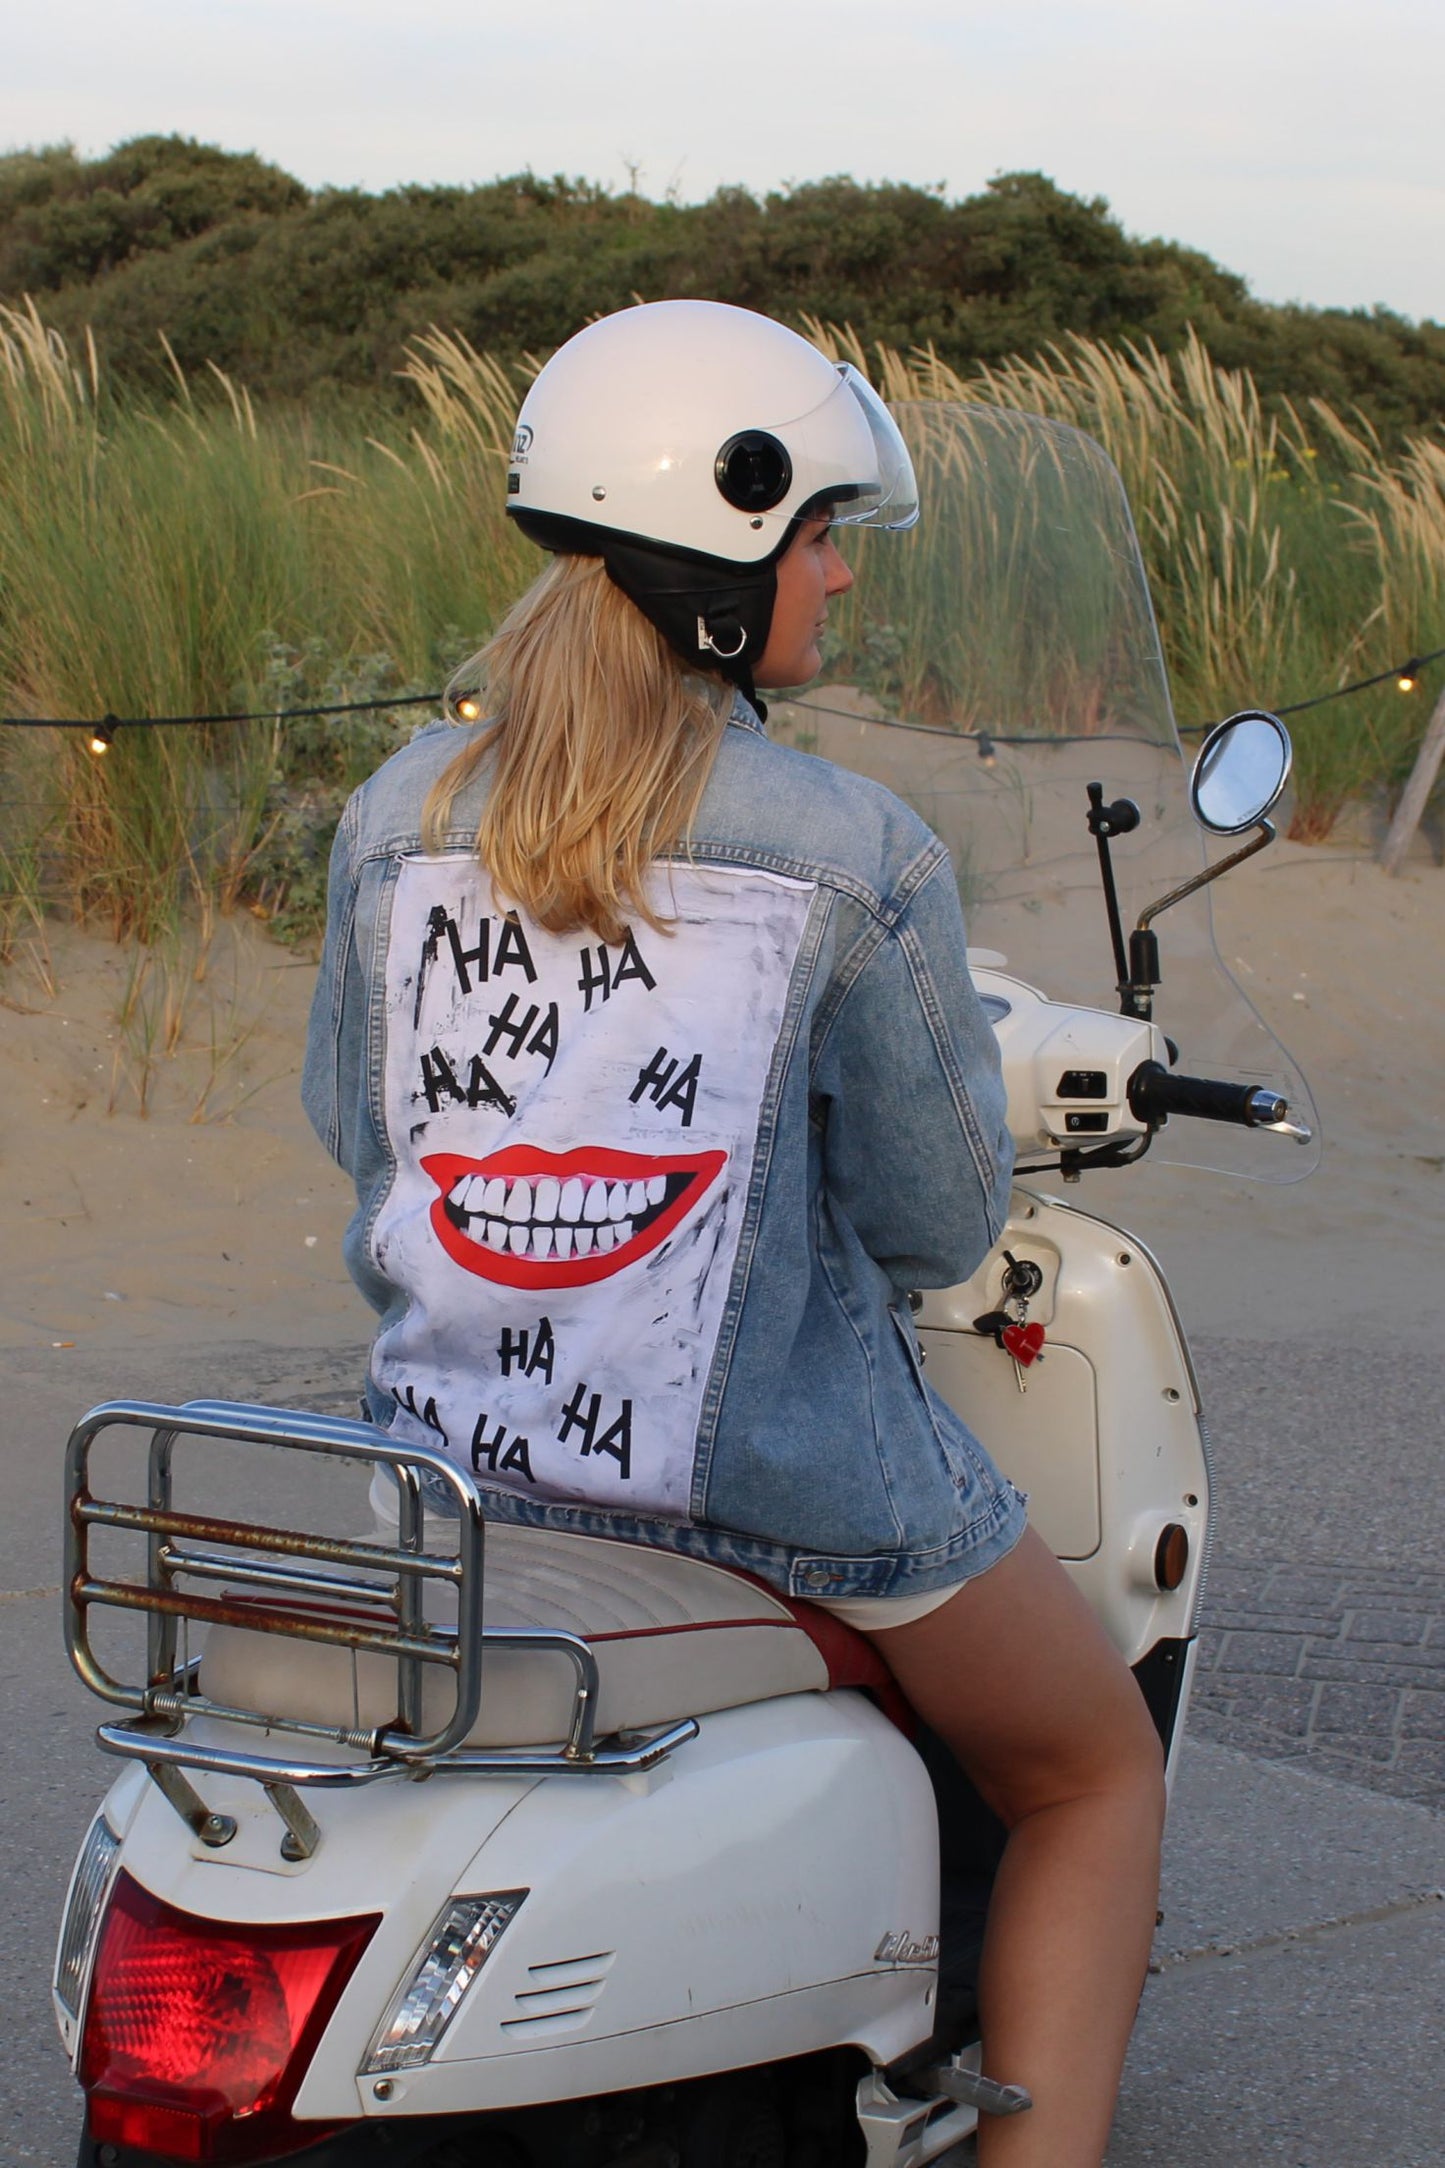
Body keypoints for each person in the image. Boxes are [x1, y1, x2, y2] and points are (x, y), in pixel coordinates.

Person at [303, 300, 1164, 2167]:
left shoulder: (392, 821)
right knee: (1095, 1772)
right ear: (726, 550)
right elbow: (939, 1227)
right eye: (822, 534)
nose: (840, 578)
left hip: (463, 1468)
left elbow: (359, 1135)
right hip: (794, 1492)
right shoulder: (852, 850)